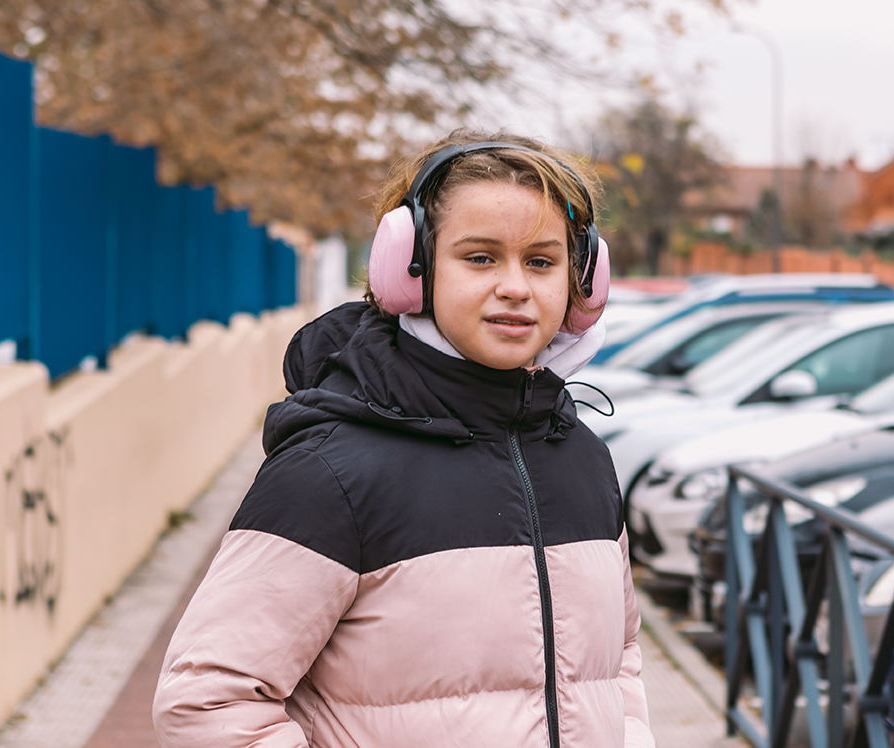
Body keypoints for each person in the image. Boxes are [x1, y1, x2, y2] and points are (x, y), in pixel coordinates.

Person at [153, 130, 654, 748]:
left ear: (584, 283)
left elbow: (618, 659)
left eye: (542, 261)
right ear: (407, 269)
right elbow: (207, 703)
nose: (517, 287)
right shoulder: (330, 472)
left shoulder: (583, 459)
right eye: (480, 257)